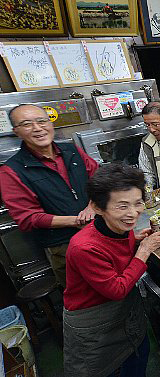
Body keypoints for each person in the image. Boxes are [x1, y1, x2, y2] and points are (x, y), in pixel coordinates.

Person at [63, 163, 160, 377]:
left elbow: (117, 249)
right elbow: (117, 289)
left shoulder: (119, 227)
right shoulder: (83, 247)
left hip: (125, 315)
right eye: (122, 206)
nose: (133, 214)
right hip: (95, 327)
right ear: (97, 207)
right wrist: (144, 250)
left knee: (136, 360)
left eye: (138, 203)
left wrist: (137, 240)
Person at [0, 104, 98, 289]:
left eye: (42, 121)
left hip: (101, 229)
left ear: (50, 123)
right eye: (27, 124)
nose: (38, 128)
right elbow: (28, 218)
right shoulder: (12, 171)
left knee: (119, 284)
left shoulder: (71, 150)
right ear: (17, 132)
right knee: (86, 296)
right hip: (65, 245)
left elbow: (99, 179)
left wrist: (92, 206)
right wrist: (76, 221)